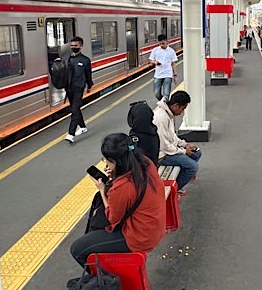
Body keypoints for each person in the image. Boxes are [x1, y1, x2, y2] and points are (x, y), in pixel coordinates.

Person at [70, 133, 166, 266]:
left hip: (140, 237)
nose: (106, 164)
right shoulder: (146, 163)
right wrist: (115, 175)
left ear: (114, 161)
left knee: (78, 249)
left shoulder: (122, 187)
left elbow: (113, 218)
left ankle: (107, 282)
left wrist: (102, 190)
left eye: (106, 161)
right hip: (156, 226)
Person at [153, 90, 202, 195]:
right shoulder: (161, 118)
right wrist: (184, 151)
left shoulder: (168, 114)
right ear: (176, 105)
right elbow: (164, 146)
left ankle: (180, 179)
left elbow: (172, 137)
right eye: (182, 108)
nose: (182, 112)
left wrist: (185, 145)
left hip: (170, 150)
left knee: (197, 153)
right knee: (193, 167)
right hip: (162, 155)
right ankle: (174, 191)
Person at [65, 36, 93, 143]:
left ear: (81, 47)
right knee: (75, 108)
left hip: (79, 88)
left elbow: (88, 75)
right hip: (69, 88)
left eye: (75, 46)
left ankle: (71, 134)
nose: (73, 48)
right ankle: (82, 127)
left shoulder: (85, 60)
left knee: (74, 109)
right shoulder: (67, 59)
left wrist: (89, 86)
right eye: (71, 46)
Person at [128, 100, 160, 166]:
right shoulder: (153, 133)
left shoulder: (135, 138)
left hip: (141, 173)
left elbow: (129, 152)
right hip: (153, 169)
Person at [148, 34, 178, 101]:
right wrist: (155, 62)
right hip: (158, 75)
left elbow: (173, 63)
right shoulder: (155, 50)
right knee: (156, 93)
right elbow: (151, 60)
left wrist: (175, 75)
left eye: (163, 43)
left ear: (167, 41)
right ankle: (164, 103)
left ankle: (165, 104)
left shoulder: (171, 51)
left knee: (166, 93)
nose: (161, 45)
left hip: (168, 74)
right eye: (160, 43)